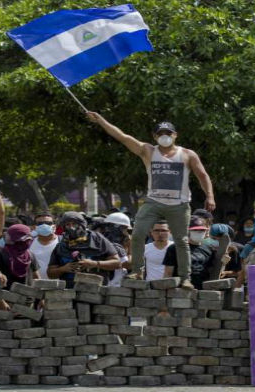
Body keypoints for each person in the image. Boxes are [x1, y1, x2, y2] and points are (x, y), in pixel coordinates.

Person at [86, 113, 215, 290]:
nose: (165, 136)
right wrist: (101, 121)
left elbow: (202, 175)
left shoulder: (187, 154)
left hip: (179, 204)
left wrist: (210, 196)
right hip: (153, 202)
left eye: (169, 133)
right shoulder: (148, 150)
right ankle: (137, 271)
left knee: (181, 241)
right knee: (138, 234)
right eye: (161, 133)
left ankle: (185, 278)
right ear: (154, 136)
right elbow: (123, 137)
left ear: (175, 135)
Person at [47, 211, 121, 288]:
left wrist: (95, 264)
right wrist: (63, 269)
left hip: (97, 290)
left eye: (74, 224)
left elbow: (117, 263)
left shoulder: (97, 239)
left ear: (81, 224)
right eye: (68, 225)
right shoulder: (62, 245)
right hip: (70, 292)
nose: (71, 227)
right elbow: (50, 274)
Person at [162, 217, 228, 289]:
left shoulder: (209, 249)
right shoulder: (175, 248)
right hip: (180, 292)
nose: (199, 232)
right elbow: (168, 273)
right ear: (187, 231)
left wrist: (223, 263)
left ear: (206, 231)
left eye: (202, 230)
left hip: (201, 292)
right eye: (195, 230)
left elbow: (213, 272)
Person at [100, 212, 132, 287]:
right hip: (110, 286)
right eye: (125, 229)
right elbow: (127, 264)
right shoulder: (112, 245)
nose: (127, 233)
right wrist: (130, 247)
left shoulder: (103, 241)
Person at [29, 212, 58, 280]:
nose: (44, 225)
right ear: (34, 227)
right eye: (40, 223)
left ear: (54, 226)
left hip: (58, 287)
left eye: (48, 223)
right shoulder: (29, 243)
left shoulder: (62, 242)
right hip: (33, 287)